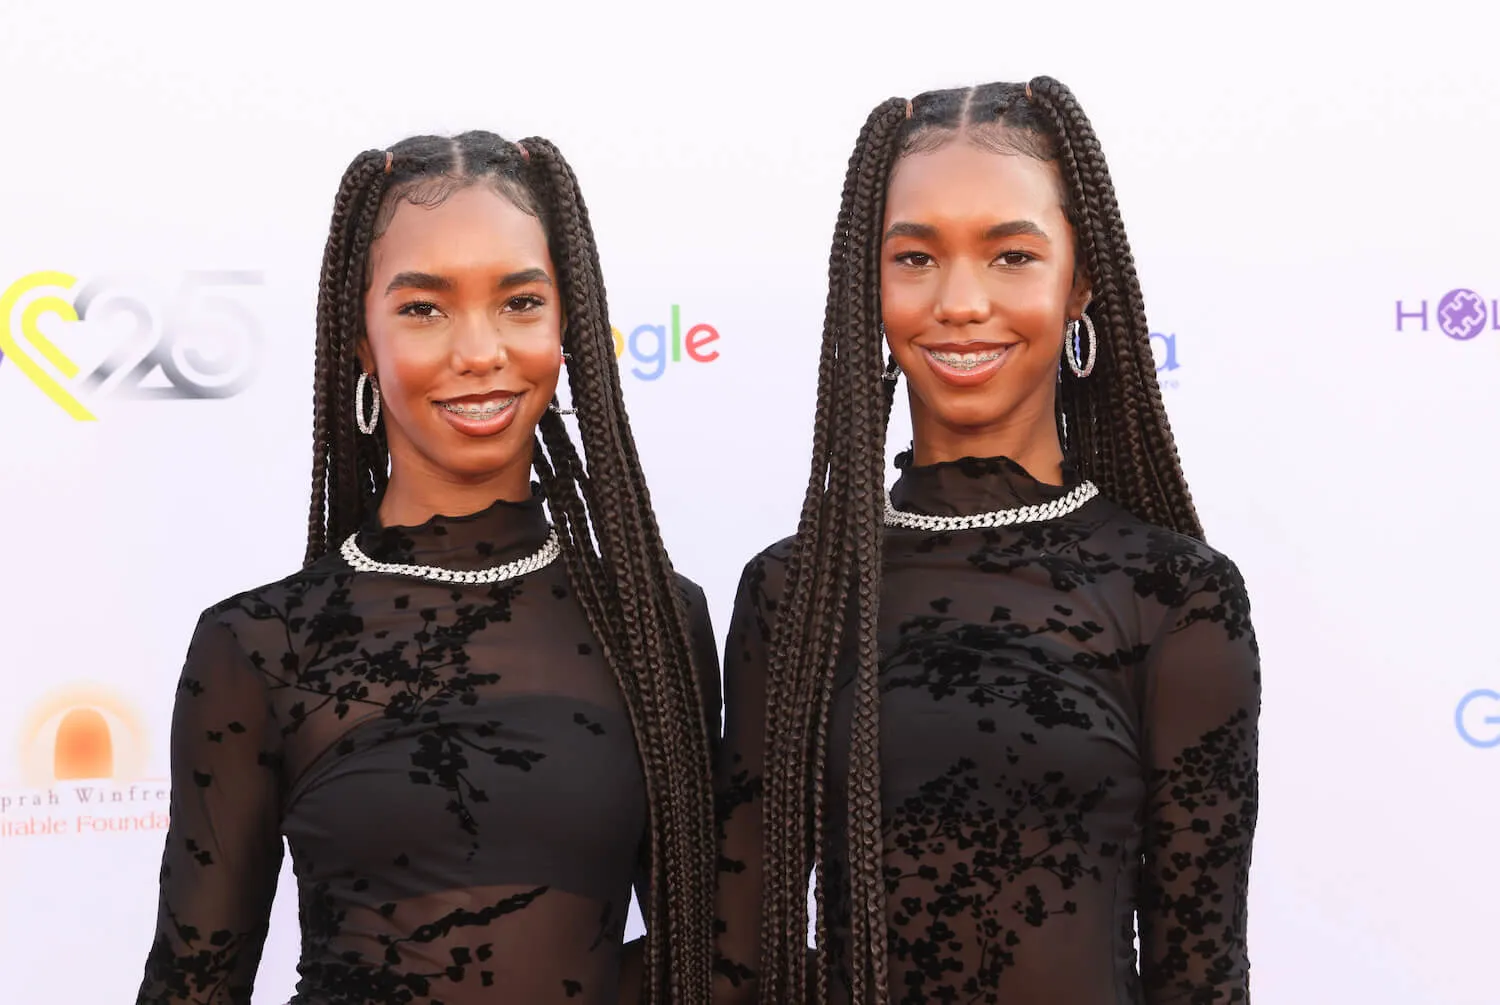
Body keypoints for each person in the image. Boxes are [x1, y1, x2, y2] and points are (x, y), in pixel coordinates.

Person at [137, 131, 718, 1005]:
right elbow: (193, 982)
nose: (479, 350)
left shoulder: (654, 619)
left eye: (520, 302)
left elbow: (707, 963)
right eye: (424, 309)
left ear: (568, 327)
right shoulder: (260, 644)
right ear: (361, 340)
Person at [714, 79, 1261, 1005]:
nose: (961, 302)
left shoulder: (1175, 594)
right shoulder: (793, 594)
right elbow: (739, 958)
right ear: (869, 282)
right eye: (916, 257)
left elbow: (1201, 971)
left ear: (1080, 280)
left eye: (1011, 255)